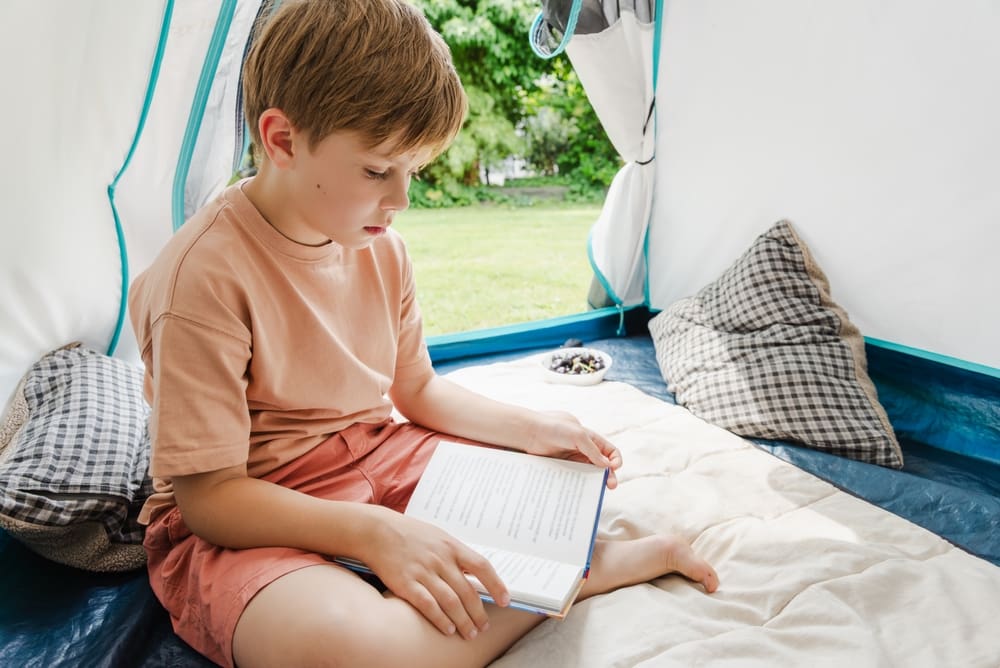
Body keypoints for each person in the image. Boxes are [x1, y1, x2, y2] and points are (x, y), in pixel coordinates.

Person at [128, 1, 719, 666]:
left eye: (415, 170)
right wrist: (372, 533)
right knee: (352, 648)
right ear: (282, 140)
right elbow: (211, 500)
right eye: (379, 171)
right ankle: (577, 578)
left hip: (379, 455)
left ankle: (549, 573)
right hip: (251, 513)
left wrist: (531, 428)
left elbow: (417, 390)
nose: (402, 199)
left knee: (554, 492)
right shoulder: (201, 276)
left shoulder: (382, 247)